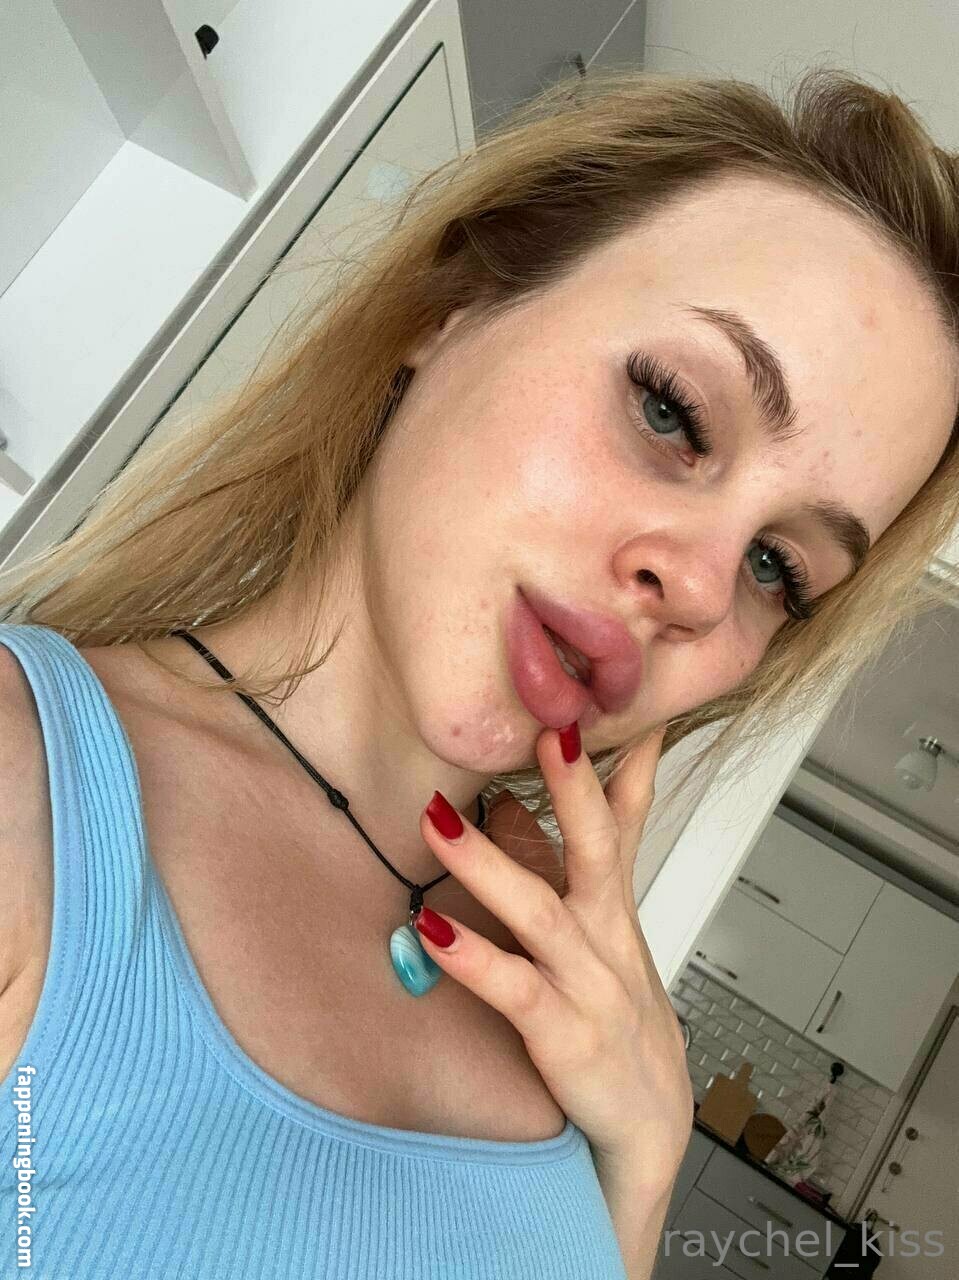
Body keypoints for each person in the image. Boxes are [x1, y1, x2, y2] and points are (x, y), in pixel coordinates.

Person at [1, 64, 958, 1280]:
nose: (704, 587)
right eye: (670, 409)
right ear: (453, 303)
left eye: (777, 566)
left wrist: (641, 1161)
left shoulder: (576, 1027)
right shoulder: (26, 791)